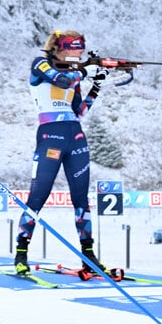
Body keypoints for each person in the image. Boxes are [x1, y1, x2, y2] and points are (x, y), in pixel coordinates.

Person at [13, 29, 116, 278]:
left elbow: (79, 110)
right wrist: (84, 71)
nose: (78, 52)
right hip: (51, 136)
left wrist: (96, 86)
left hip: (76, 136)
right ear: (60, 48)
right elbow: (60, 81)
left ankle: (89, 255)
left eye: (81, 48)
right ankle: (21, 253)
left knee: (82, 199)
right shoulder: (41, 64)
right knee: (38, 196)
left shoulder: (74, 74)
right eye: (74, 47)